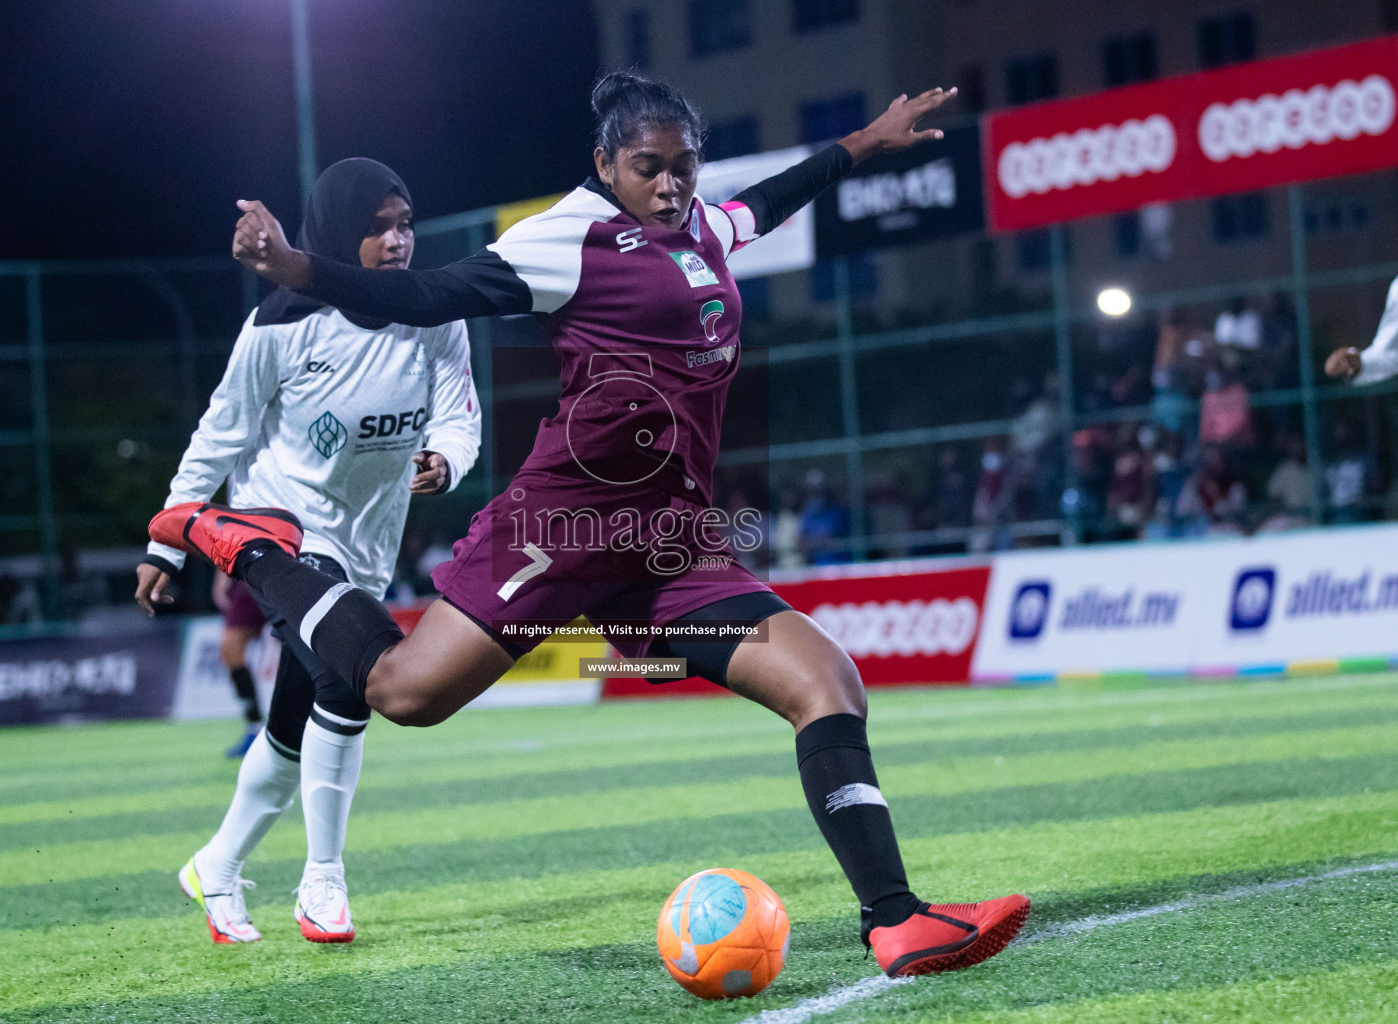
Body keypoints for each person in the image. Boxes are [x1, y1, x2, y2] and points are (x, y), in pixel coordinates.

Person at [153, 72, 1028, 978]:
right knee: (407, 695)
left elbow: (762, 205)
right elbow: (430, 294)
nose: (672, 184)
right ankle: (251, 546)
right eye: (649, 167)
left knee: (827, 680)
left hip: (669, 545)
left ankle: (896, 920)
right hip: (563, 527)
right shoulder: (561, 239)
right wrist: (297, 268)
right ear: (606, 162)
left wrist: (863, 144)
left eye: (686, 166)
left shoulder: (701, 227)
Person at [135, 158, 480, 945]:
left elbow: (462, 416)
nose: (398, 242)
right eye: (378, 227)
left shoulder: (435, 317)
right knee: (352, 675)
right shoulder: (280, 326)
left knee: (294, 730)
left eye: (405, 224)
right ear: (336, 232)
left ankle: (213, 867)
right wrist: (168, 539)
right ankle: (323, 884)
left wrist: (445, 459)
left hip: (366, 546)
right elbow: (219, 435)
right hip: (281, 526)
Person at [212, 569, 268, 758]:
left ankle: (309, 726)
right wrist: (222, 573)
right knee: (230, 650)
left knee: (298, 643)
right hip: (246, 572)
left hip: (283, 563)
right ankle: (255, 727)